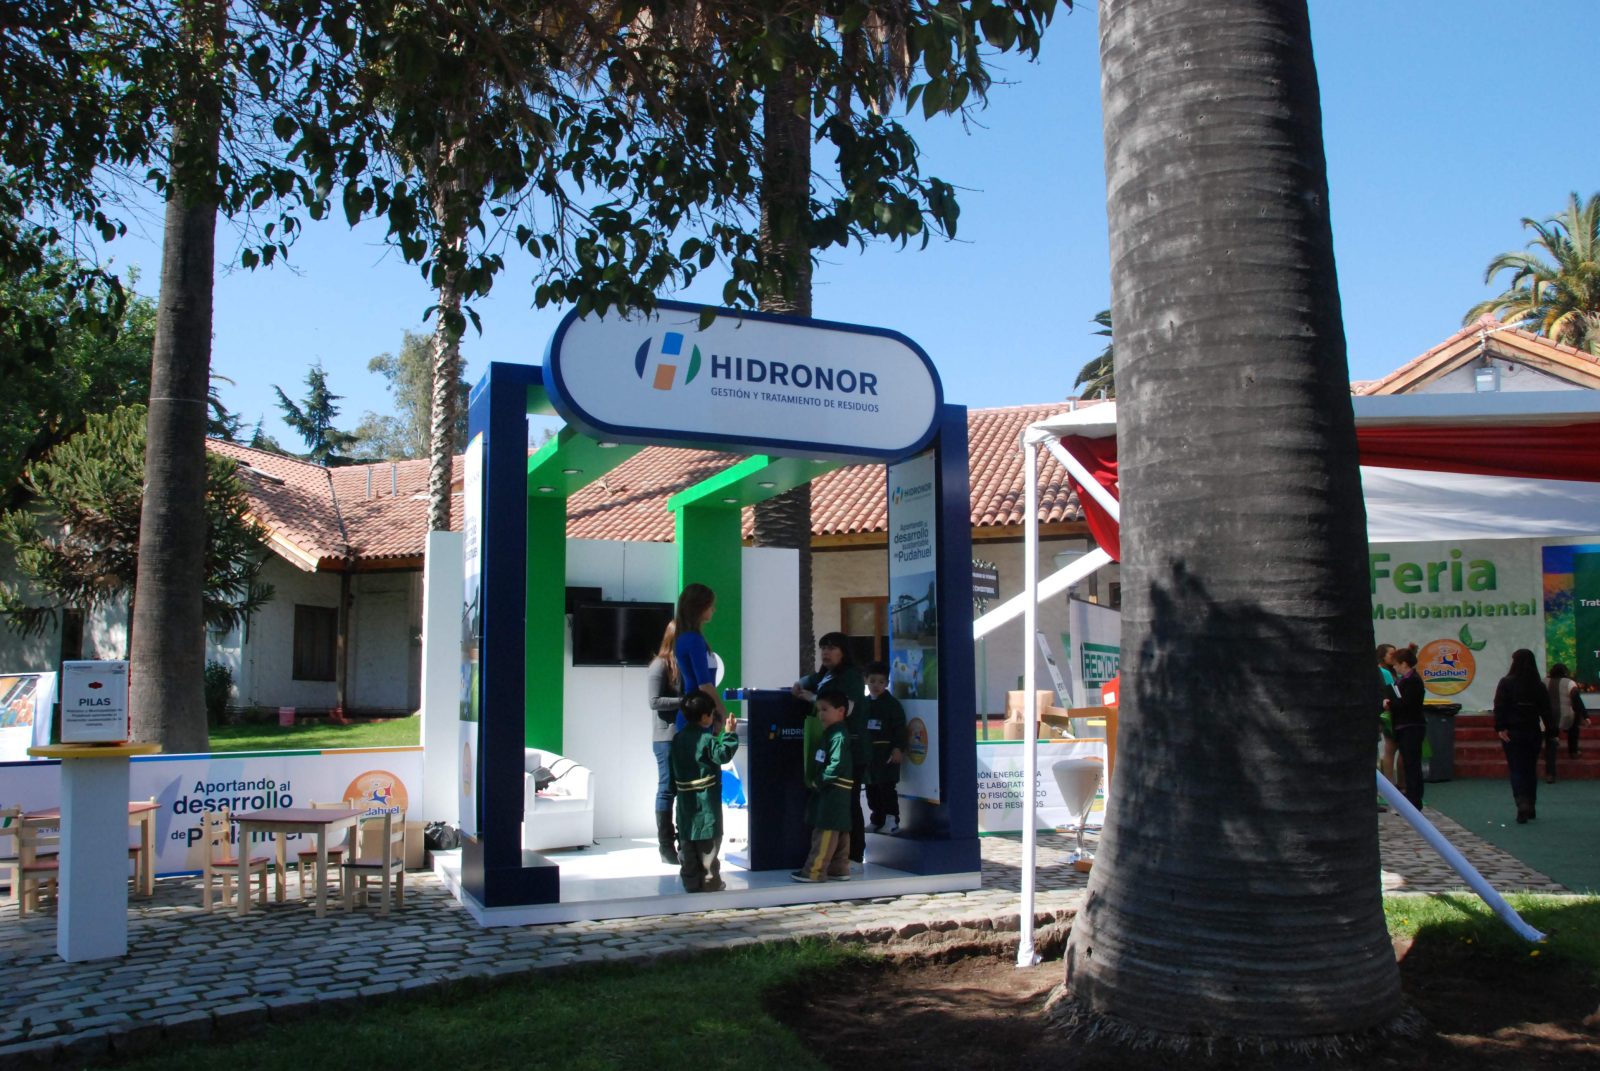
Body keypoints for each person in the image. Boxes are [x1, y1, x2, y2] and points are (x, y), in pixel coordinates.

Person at [792, 632, 867, 862]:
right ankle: (839, 859)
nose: (826, 652)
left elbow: (848, 708)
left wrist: (812, 699)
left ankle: (854, 855)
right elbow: (808, 681)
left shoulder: (851, 676)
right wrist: (800, 684)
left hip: (851, 747)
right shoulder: (825, 675)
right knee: (835, 803)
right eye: (823, 647)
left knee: (849, 802)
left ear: (843, 652)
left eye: (832, 648)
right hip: (831, 744)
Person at [670, 691, 739, 892]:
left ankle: (691, 883)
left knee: (687, 844)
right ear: (705, 717)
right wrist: (729, 734)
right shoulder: (707, 739)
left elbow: (671, 767)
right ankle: (710, 883)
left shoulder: (677, 739)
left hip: (685, 802)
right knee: (708, 845)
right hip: (706, 801)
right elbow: (722, 755)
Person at [791, 688, 854, 883]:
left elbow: (836, 763)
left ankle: (815, 871)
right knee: (839, 827)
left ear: (841, 711)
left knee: (826, 828)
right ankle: (839, 868)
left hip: (833, 788)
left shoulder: (838, 736)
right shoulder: (831, 733)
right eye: (819, 710)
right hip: (834, 788)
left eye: (825, 709)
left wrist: (820, 779)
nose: (821, 715)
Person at [1493, 648, 1557, 824]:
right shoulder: (1538, 685)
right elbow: (1546, 711)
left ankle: (1521, 802)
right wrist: (1552, 731)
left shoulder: (1506, 683)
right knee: (1530, 768)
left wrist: (1500, 727)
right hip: (1532, 731)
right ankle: (1531, 803)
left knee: (1516, 768)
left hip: (1512, 732)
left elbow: (1499, 706)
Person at [646, 622, 685, 865]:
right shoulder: (659, 665)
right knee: (667, 788)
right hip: (666, 738)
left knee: (682, 789)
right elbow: (654, 701)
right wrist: (685, 701)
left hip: (683, 736)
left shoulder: (683, 664)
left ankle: (683, 842)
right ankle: (666, 846)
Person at [673, 582, 729, 731]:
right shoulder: (694, 639)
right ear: (699, 607)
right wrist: (721, 710)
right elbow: (704, 684)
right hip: (697, 715)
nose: (713, 609)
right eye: (710, 605)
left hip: (697, 713)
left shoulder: (685, 637)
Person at [861, 661, 908, 833]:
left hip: (886, 754)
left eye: (881, 682)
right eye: (872, 681)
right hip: (869, 755)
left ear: (887, 683)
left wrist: (898, 748)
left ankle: (891, 820)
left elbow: (900, 728)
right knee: (871, 788)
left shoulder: (892, 705)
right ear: (866, 680)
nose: (876, 685)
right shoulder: (863, 704)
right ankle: (877, 819)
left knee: (886, 787)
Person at [1385, 646, 1426, 811]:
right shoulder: (1404, 681)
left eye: (1396, 664)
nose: (1395, 667)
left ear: (1404, 664)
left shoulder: (1413, 681)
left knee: (1412, 765)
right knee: (1409, 765)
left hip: (1412, 726)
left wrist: (1391, 703)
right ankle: (1412, 799)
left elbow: (1407, 704)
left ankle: (1414, 801)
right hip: (1404, 726)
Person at [1546, 663, 1586, 775]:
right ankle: (1573, 751)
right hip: (1566, 717)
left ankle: (1549, 755)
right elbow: (1577, 701)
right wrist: (1585, 716)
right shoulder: (1570, 683)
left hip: (1547, 717)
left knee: (1550, 735)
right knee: (1574, 724)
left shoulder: (1544, 682)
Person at [1374, 643, 1399, 808]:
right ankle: (1389, 786)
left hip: (1384, 714)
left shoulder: (1390, 672)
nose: (1394, 657)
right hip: (1386, 715)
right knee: (1389, 749)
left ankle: (1387, 786)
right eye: (1391, 654)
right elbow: (1391, 693)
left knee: (1386, 750)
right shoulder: (1383, 673)